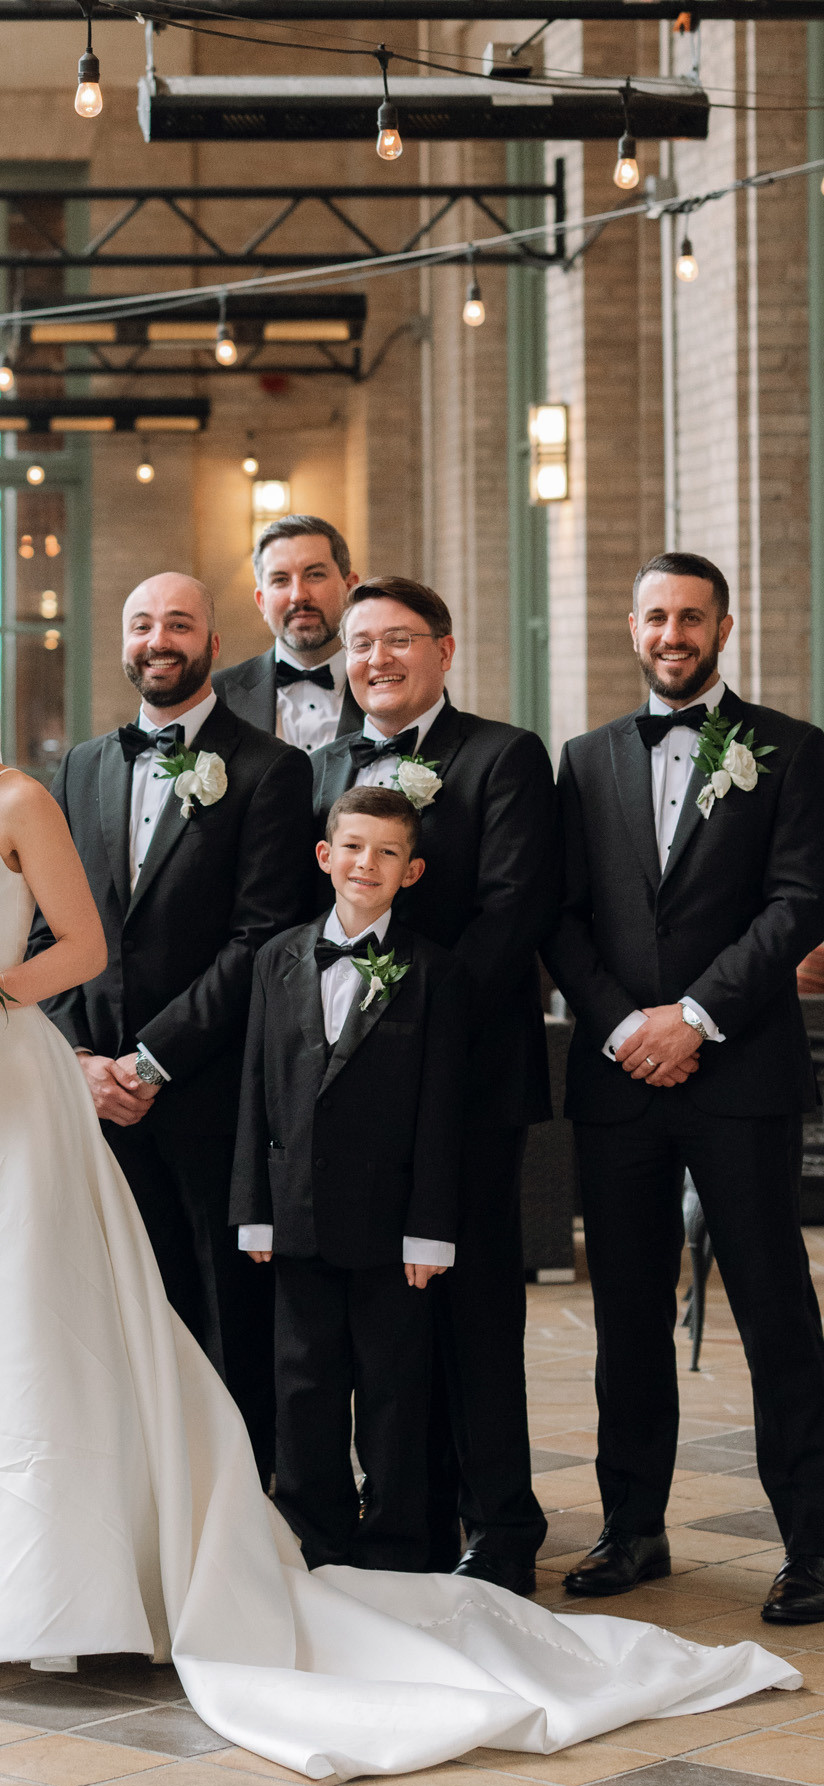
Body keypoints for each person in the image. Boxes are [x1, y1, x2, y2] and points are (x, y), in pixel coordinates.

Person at [0, 607, 796, 1779]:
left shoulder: (19, 797)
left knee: (25, 1317)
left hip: (1, 1082)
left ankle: (46, 1578)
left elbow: (79, 946)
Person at [549, 552, 824, 1626]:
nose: (673, 634)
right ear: (631, 628)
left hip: (738, 1070)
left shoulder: (790, 750)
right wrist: (625, 1026)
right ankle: (632, 1528)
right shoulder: (583, 760)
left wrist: (695, 1016)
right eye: (655, 616)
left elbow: (798, 902)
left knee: (774, 1309)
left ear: (723, 628)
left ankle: (813, 1543)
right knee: (624, 1313)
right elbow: (562, 915)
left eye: (691, 617)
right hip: (619, 1075)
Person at [312, 576, 557, 1593]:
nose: (375, 659)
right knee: (387, 1315)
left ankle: (501, 1524)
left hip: (467, 1083)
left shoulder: (503, 757)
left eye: (398, 640)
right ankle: (407, 1517)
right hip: (355, 1103)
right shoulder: (322, 765)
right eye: (359, 643)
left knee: (476, 1309)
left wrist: (410, 1028)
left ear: (443, 651)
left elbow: (512, 912)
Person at [43, 572, 313, 1472]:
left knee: (223, 1308)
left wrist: (151, 1061)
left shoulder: (271, 769)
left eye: (178, 624)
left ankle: (238, 1493)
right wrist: (81, 1058)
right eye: (142, 623)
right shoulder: (82, 766)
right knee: (115, 1304)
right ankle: (139, 1484)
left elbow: (260, 938)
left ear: (214, 643)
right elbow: (50, 927)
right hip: (94, 1099)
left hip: (208, 1094)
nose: (158, 640)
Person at [232, 785, 466, 1574]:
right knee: (304, 1386)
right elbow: (256, 1088)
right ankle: (314, 1536)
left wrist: (430, 1229)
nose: (369, 864)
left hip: (392, 1224)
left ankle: (397, 1543)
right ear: (325, 856)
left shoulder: (435, 972)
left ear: (412, 871)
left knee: (394, 1389)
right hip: (295, 1213)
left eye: (388, 853)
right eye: (355, 847)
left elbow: (440, 1111)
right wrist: (255, 1210)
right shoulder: (276, 959)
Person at [214, 515, 359, 753]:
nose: (298, 595)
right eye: (280, 580)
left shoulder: (390, 688)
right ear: (261, 602)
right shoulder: (215, 697)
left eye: (315, 575)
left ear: (350, 587)